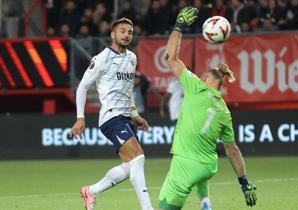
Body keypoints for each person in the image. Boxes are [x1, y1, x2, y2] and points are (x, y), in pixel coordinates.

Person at [157, 7, 257, 210]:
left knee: (164, 206)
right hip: (208, 167)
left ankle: (202, 202)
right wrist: (243, 181)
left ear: (203, 79)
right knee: (201, 159)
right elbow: (233, 151)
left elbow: (170, 57)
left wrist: (178, 27)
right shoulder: (224, 110)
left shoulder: (196, 88)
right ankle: (204, 202)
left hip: (186, 164)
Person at [69, 17, 153, 210]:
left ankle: (91, 191)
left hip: (125, 118)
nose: (126, 35)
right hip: (111, 117)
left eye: (130, 32)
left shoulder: (132, 58)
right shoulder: (101, 59)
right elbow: (82, 87)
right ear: (112, 34)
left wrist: (135, 114)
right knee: (139, 158)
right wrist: (80, 117)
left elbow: (127, 89)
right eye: (122, 31)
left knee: (130, 166)